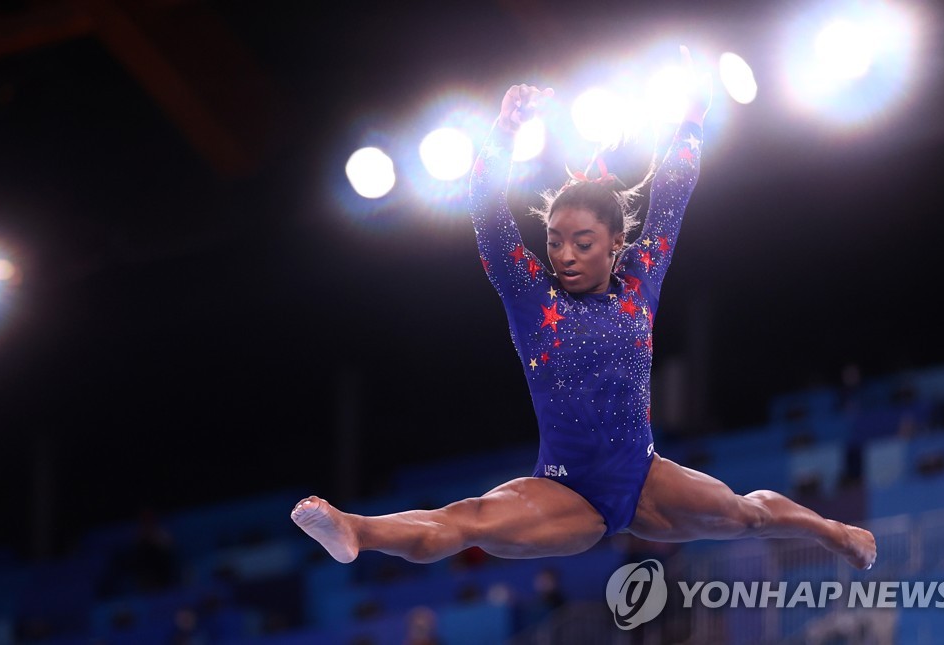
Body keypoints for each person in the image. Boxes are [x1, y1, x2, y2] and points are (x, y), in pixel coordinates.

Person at [291, 46, 876, 571]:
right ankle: (355, 530)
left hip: (646, 479)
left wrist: (693, 117)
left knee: (748, 514)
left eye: (583, 243)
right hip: (566, 491)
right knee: (467, 519)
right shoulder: (531, 296)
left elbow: (673, 191)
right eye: (554, 242)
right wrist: (504, 133)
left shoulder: (640, 280)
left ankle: (834, 531)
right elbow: (487, 215)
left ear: (615, 244)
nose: (564, 256)